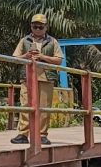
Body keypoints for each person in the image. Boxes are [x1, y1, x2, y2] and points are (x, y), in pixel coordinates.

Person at [9, 14, 63, 145]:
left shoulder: (52, 41)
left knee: (44, 108)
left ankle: (42, 134)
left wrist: (42, 57)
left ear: (46, 27)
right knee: (25, 105)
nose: (37, 29)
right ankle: (22, 134)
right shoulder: (24, 40)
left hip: (46, 78)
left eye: (40, 27)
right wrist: (26, 56)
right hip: (27, 78)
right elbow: (14, 58)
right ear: (31, 27)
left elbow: (59, 60)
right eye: (35, 26)